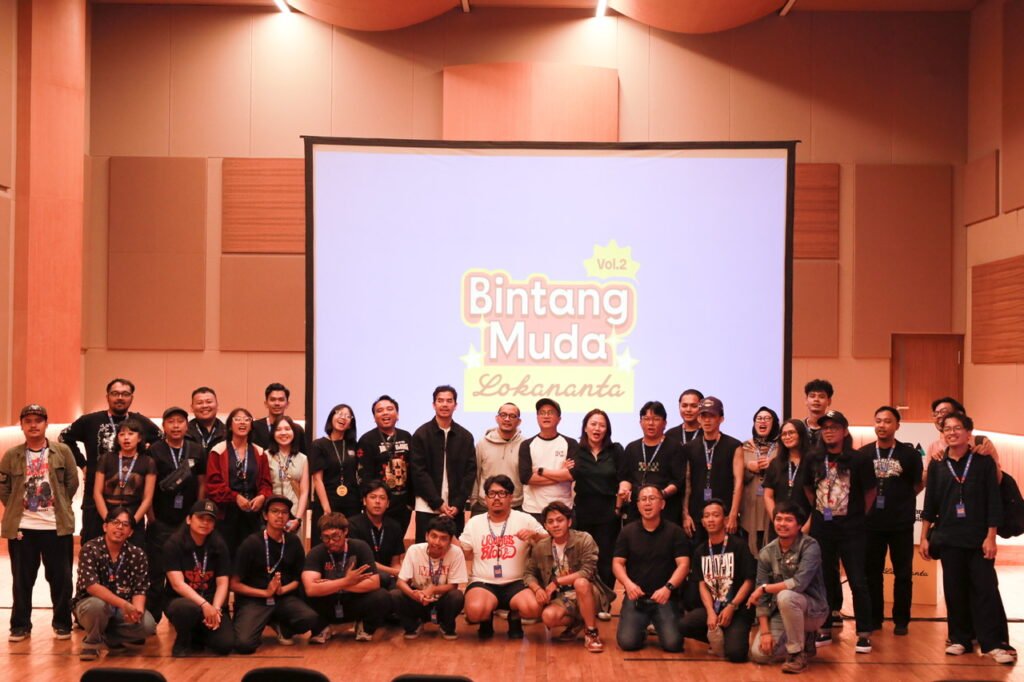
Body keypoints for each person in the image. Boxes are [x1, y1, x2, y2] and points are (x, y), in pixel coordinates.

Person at [920, 412, 1015, 665]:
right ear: (942, 434)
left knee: (985, 591)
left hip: (978, 539)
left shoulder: (983, 462)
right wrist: (924, 537)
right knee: (954, 591)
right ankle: (960, 638)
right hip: (948, 538)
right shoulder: (938, 464)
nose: (952, 432)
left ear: (968, 433)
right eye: (947, 429)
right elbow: (930, 504)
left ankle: (992, 644)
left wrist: (991, 537)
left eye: (957, 428)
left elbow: (993, 502)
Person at [0, 404, 79, 642]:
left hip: (56, 526)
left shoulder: (62, 451)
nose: (33, 425)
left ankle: (62, 623)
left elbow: (72, 482)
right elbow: (4, 488)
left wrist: (60, 503)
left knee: (61, 580)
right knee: (22, 581)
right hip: (23, 528)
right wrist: (16, 507)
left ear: (46, 423)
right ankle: (20, 626)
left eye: (38, 420)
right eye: (28, 421)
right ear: (21, 425)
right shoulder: (12, 455)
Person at [802, 409, 875, 652]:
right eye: (825, 427)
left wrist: (857, 515)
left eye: (834, 427)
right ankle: (824, 627)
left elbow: (870, 492)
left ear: (844, 431)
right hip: (823, 527)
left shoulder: (859, 459)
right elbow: (808, 489)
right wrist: (820, 508)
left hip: (852, 528)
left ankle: (864, 632)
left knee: (857, 579)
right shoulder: (813, 458)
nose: (829, 431)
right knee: (824, 578)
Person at [60, 377, 161, 542]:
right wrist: (83, 465)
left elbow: (160, 441)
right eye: (115, 393)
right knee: (93, 543)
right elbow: (64, 437)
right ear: (107, 396)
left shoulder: (140, 422)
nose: (120, 398)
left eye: (125, 394)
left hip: (131, 497)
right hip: (95, 494)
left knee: (132, 546)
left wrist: (143, 457)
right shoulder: (90, 420)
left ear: (131, 398)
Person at [859, 405, 923, 636]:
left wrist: (901, 500)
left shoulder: (910, 455)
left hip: (900, 524)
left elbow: (917, 483)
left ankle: (901, 620)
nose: (882, 425)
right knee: (871, 574)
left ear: (897, 425)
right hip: (871, 524)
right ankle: (874, 618)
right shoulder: (864, 454)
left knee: (903, 574)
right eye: (878, 421)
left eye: (887, 421)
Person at [459, 474, 545, 639]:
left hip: (518, 582)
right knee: (475, 612)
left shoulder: (525, 519)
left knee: (533, 608)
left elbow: (549, 541)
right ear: (485, 498)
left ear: (511, 497)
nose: (496, 498)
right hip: (483, 582)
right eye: (492, 494)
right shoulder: (475, 522)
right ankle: (486, 619)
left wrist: (535, 536)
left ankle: (515, 616)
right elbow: (464, 552)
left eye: (502, 493)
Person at [747, 501, 829, 674]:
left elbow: (798, 584)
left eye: (788, 520)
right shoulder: (767, 552)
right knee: (760, 655)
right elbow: (762, 600)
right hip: (781, 611)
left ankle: (797, 654)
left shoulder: (810, 546)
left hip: (813, 611)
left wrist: (764, 588)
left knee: (785, 596)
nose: (782, 524)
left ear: (799, 525)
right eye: (778, 519)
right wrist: (765, 632)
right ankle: (804, 639)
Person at [231, 495, 317, 653]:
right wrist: (265, 593)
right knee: (244, 645)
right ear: (265, 515)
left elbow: (298, 578)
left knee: (310, 619)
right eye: (275, 511)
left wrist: (282, 590)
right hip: (255, 600)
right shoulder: (251, 543)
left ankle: (281, 625)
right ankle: (260, 621)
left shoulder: (293, 542)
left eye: (284, 512)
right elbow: (234, 584)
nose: (280, 515)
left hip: (282, 598)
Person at [524, 501, 613, 653]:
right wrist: (537, 589)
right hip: (563, 597)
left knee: (581, 583)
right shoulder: (541, 547)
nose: (555, 525)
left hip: (589, 592)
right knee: (548, 617)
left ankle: (591, 633)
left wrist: (556, 582)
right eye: (550, 522)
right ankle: (579, 622)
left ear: (569, 522)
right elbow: (529, 573)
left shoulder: (584, 539)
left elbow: (587, 571)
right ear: (545, 526)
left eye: (560, 520)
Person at [146, 406, 207, 621]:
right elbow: (148, 486)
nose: (176, 426)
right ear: (164, 426)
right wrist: (151, 517)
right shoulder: (154, 450)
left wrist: (197, 513)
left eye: (180, 421)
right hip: (161, 519)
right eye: (170, 422)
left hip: (187, 520)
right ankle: (151, 618)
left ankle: (178, 615)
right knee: (156, 571)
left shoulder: (196, 450)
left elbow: (202, 482)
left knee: (183, 569)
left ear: (186, 425)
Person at [72, 507, 157, 662]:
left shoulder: (137, 554)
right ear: (105, 526)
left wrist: (136, 611)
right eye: (115, 522)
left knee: (148, 625)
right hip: (91, 606)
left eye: (125, 525)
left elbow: (140, 588)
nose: (120, 527)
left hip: (122, 611)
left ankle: (109, 638)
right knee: (97, 606)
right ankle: (92, 642)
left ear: (130, 532)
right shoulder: (90, 549)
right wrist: (124, 604)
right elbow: (92, 586)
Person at [612, 484, 690, 653]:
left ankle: (659, 622)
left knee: (673, 644)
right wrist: (628, 584)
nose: (647, 503)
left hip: (665, 598)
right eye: (643, 499)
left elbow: (684, 564)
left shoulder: (675, 532)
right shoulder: (628, 532)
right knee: (627, 643)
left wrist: (668, 588)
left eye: (652, 498)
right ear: (638, 505)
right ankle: (642, 627)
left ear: (662, 504)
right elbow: (617, 563)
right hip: (636, 597)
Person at [679, 498, 755, 663]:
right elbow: (701, 584)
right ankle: (719, 638)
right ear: (702, 522)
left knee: (736, 655)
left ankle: (732, 637)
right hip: (714, 608)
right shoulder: (700, 551)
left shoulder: (739, 546)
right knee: (683, 625)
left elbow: (749, 581)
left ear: (725, 519)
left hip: (737, 609)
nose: (711, 519)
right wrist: (710, 612)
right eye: (707, 516)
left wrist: (732, 606)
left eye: (715, 515)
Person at [302, 511, 392, 644]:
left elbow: (374, 583)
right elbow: (311, 589)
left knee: (382, 596)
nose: (331, 541)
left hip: (353, 600)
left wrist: (330, 584)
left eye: (335, 536)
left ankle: (364, 627)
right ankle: (322, 628)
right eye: (326, 537)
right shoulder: (316, 553)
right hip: (328, 603)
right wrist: (346, 581)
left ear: (345, 532)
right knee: (301, 592)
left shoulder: (360, 547)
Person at [163, 499, 234, 657]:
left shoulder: (219, 545)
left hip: (211, 602)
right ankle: (182, 640)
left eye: (210, 520)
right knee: (186, 609)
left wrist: (216, 608)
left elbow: (223, 583)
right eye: (201, 518)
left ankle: (198, 635)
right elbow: (177, 584)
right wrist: (204, 605)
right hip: (183, 601)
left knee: (225, 645)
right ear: (189, 519)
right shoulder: (173, 544)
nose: (205, 523)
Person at [573, 408, 623, 618]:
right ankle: (584, 601)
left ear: (607, 429)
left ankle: (604, 603)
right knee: (583, 559)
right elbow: (567, 474)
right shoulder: (576, 451)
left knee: (605, 559)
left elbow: (623, 478)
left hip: (608, 512)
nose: (597, 428)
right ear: (585, 427)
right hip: (583, 511)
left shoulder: (616, 450)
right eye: (593, 424)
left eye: (602, 425)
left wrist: (618, 508)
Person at [411, 385, 476, 542]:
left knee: (454, 551)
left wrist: (458, 504)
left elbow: (470, 473)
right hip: (427, 506)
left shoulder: (465, 436)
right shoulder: (421, 434)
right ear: (434, 405)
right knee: (426, 550)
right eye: (440, 401)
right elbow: (418, 472)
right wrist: (437, 502)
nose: (445, 404)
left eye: (449, 401)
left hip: (454, 509)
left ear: (455, 405)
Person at [205, 408, 272, 555]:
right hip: (226, 514)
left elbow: (266, 483)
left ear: (251, 426)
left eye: (247, 419)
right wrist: (235, 497)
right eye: (238, 419)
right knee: (226, 556)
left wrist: (262, 496)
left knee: (252, 555)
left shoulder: (260, 452)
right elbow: (213, 485)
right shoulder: (218, 451)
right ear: (230, 425)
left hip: (253, 513)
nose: (242, 422)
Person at [682, 397, 743, 544]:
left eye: (712, 416)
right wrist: (685, 514)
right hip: (697, 514)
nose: (707, 420)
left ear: (721, 419)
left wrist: (733, 514)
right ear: (699, 418)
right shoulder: (689, 447)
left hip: (725, 514)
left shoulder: (734, 445)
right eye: (703, 416)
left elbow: (739, 482)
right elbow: (687, 483)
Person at [396, 515, 468, 640]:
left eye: (443, 538)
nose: (437, 542)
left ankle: (446, 625)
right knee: (395, 595)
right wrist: (414, 594)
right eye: (434, 536)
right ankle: (413, 625)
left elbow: (454, 586)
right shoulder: (414, 550)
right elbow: (400, 582)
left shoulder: (456, 553)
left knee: (457, 596)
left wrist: (433, 589)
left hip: (441, 601)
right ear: (426, 536)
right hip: (418, 599)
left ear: (450, 540)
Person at [93, 418, 157, 549]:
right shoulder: (106, 458)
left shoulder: (148, 462)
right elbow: (97, 493)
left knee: (135, 555)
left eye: (131, 434)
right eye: (122, 434)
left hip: (134, 515)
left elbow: (147, 498)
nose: (126, 438)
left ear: (139, 438)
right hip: (108, 513)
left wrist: (131, 523)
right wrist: (109, 521)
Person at [356, 395, 414, 535]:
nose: (385, 413)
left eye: (389, 409)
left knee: (397, 541)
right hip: (378, 504)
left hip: (403, 504)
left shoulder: (406, 437)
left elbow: (414, 470)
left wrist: (410, 503)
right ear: (374, 417)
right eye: (380, 410)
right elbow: (364, 476)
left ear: (397, 414)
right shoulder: (367, 440)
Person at [620, 401, 685, 524]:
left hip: (666, 510)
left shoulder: (675, 447)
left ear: (664, 423)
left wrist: (659, 495)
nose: (650, 423)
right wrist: (624, 489)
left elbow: (677, 481)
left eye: (656, 419)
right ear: (640, 422)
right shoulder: (632, 448)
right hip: (636, 509)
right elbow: (625, 477)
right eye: (646, 419)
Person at [518, 398, 578, 523]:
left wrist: (541, 471)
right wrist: (561, 474)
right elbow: (526, 478)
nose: (546, 416)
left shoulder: (570, 443)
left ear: (559, 419)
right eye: (542, 413)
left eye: (550, 412)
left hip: (563, 509)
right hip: (533, 510)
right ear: (537, 417)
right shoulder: (526, 445)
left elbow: (571, 475)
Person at [309, 403, 361, 546]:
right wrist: (327, 509)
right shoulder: (319, 445)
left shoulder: (353, 445)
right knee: (325, 544)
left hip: (351, 504)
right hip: (327, 501)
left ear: (350, 424)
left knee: (350, 544)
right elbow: (317, 479)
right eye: (339, 413)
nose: (343, 417)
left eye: (348, 416)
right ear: (331, 417)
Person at [348, 480, 406, 591]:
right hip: (364, 577)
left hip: (389, 578)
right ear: (364, 501)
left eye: (382, 498)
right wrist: (395, 572)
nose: (377, 502)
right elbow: (364, 563)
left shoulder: (394, 526)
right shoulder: (353, 525)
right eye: (373, 497)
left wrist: (399, 574)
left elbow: (395, 563)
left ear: (388, 503)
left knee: (401, 590)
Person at [471, 403, 524, 515]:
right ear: (497, 418)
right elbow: (475, 474)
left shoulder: (524, 445)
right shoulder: (483, 443)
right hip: (484, 506)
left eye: (512, 416)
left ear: (519, 421)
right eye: (503, 415)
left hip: (516, 507)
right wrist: (473, 501)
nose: (507, 419)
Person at [740, 407, 780, 555]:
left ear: (774, 423)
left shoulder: (782, 447)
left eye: (767, 418)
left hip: (773, 502)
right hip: (749, 504)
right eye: (759, 418)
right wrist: (748, 467)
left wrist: (773, 465)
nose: (763, 422)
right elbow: (735, 477)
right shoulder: (744, 447)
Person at [266, 416, 309, 535]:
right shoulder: (265, 456)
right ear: (273, 434)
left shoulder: (303, 459)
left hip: (293, 514)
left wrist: (298, 519)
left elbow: (304, 491)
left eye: (287, 429)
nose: (283, 433)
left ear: (294, 432)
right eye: (278, 429)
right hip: (271, 514)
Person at [763, 419, 811, 523]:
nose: (787, 437)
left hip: (806, 523)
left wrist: (807, 527)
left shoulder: (813, 462)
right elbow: (768, 496)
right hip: (780, 525)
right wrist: (777, 521)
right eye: (784, 434)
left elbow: (818, 500)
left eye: (791, 433)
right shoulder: (775, 463)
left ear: (801, 434)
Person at [925, 396, 999, 462]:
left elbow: (997, 473)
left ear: (960, 414)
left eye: (943, 412)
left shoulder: (981, 443)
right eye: (935, 414)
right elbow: (926, 473)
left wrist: (988, 458)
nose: (938, 416)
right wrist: (934, 465)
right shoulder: (933, 447)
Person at [250, 382, 307, 451]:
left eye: (281, 400)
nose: (277, 403)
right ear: (266, 403)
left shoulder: (297, 430)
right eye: (273, 400)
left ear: (287, 404)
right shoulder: (254, 427)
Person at [187, 386, 226, 453]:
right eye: (199, 403)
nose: (204, 406)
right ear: (192, 407)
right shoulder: (184, 433)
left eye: (209, 402)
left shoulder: (228, 433)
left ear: (217, 405)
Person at [802, 379, 833, 450]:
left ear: (829, 401)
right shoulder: (799, 427)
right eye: (812, 396)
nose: (816, 399)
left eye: (821, 396)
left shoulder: (833, 428)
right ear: (806, 400)